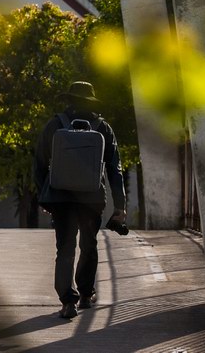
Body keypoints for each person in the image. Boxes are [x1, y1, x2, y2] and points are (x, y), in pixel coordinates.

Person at [33, 80, 127, 319]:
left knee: (65, 247)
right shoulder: (103, 128)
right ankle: (85, 294)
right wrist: (120, 206)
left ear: (70, 100)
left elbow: (40, 163)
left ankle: (67, 301)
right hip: (92, 199)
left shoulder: (55, 125)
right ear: (91, 101)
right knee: (89, 244)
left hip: (61, 197)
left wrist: (45, 198)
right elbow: (115, 169)